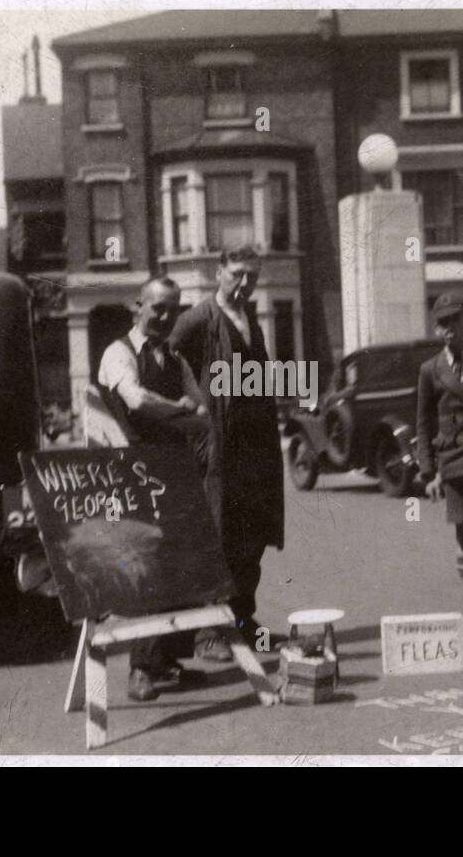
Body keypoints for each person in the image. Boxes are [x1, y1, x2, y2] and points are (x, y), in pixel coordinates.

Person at [169, 245, 285, 662]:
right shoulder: (200, 317)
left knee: (251, 535)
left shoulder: (250, 317)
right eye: (236, 274)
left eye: (252, 276)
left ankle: (242, 621)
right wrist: (189, 414)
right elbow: (166, 360)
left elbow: (258, 375)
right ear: (219, 272)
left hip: (255, 447)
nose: (244, 283)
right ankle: (208, 634)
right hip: (218, 447)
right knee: (218, 535)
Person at [97, 277, 209, 701]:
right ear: (137, 307)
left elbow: (202, 412)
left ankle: (165, 662)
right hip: (131, 476)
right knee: (147, 568)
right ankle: (140, 669)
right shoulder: (117, 353)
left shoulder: (175, 360)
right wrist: (179, 410)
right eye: (157, 308)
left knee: (180, 566)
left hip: (175, 473)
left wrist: (184, 412)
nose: (165, 317)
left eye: (173, 309)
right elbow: (136, 400)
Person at [416, 291, 463, 645]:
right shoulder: (430, 370)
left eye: (455, 321)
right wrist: (429, 472)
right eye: (442, 323)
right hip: (456, 463)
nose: (448, 330)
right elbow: (423, 423)